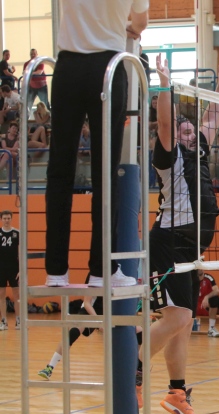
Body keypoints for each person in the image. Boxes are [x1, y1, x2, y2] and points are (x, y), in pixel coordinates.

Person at [43, 0, 148, 288]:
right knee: (105, 174)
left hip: (68, 69)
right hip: (108, 68)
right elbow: (140, 24)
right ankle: (102, 271)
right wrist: (119, 25)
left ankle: (55, 271)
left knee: (59, 171)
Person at [146, 54, 219, 414]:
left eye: (192, 132)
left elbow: (212, 119)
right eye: (185, 132)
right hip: (170, 241)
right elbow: (165, 122)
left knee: (184, 321)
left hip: (192, 248)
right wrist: (165, 83)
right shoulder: (169, 155)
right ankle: (131, 366)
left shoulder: (200, 150)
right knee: (177, 317)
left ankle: (177, 392)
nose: (190, 135)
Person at [38, 283, 144, 380]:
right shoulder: (95, 278)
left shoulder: (119, 278)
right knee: (73, 333)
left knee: (140, 332)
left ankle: (138, 369)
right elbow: (87, 303)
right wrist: (99, 322)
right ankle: (49, 368)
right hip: (89, 312)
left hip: (109, 314)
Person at [0, 210, 19, 331]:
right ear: (1, 219)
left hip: (14, 268)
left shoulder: (17, 233)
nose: (7, 220)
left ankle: (18, 320)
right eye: (4, 218)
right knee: (1, 295)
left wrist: (21, 269)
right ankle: (4, 321)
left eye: (8, 218)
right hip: (1, 268)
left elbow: (21, 252)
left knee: (17, 295)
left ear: (11, 219)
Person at [196, 269, 219, 337]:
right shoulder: (191, 278)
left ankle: (211, 328)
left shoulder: (208, 277)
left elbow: (217, 290)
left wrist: (207, 297)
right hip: (193, 306)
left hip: (205, 306)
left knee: (215, 299)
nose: (200, 268)